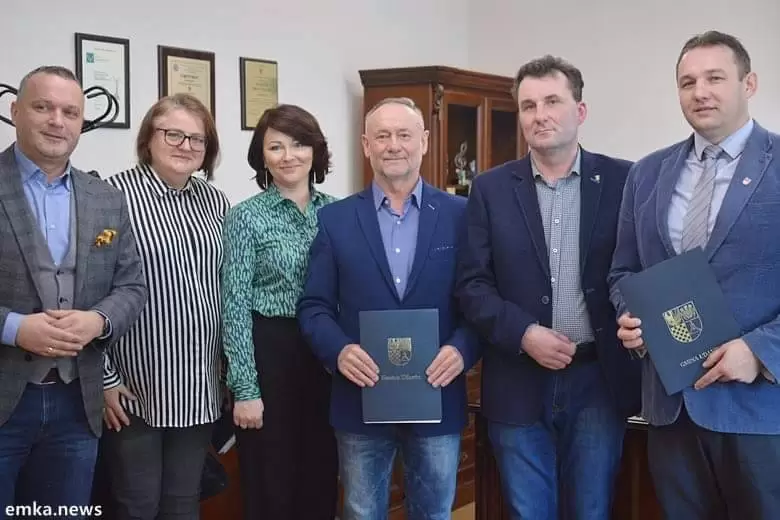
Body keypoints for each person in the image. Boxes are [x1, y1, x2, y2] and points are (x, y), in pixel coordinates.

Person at [455, 56, 641, 519]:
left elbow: (639, 268)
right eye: (528, 105)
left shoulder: (625, 180)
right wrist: (524, 333)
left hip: (598, 381)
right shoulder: (490, 189)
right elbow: (472, 284)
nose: (540, 115)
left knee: (592, 510)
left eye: (552, 102)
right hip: (516, 379)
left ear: (580, 111)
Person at [608, 30, 780, 520]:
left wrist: (760, 352)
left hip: (760, 411)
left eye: (714, 78)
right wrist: (631, 319)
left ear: (749, 84)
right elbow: (623, 271)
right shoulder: (646, 173)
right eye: (687, 82)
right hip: (672, 410)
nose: (700, 92)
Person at [297, 97, 480, 520]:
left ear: (424, 141)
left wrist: (462, 350)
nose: (393, 145)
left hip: (436, 395)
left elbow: (480, 300)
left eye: (403, 134)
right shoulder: (335, 220)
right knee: (361, 512)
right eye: (382, 136)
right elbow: (314, 307)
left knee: (434, 512)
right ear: (366, 145)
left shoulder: (462, 215)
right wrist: (339, 351)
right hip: (360, 398)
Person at [0, 66, 147, 514]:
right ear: (15, 111)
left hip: (77, 403)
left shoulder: (106, 197)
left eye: (70, 112)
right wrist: (13, 328)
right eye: (43, 107)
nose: (56, 121)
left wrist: (98, 320)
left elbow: (132, 284)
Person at [99, 93, 230, 519]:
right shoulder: (111, 196)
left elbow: (225, 286)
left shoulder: (215, 202)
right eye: (173, 134)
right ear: (148, 139)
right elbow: (88, 292)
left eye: (197, 138)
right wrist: (104, 378)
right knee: (135, 503)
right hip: (135, 387)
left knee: (183, 502)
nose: (185, 146)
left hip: (199, 384)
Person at [221, 104, 339, 520]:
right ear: (262, 156)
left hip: (326, 355)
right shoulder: (245, 217)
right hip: (269, 354)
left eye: (299, 144)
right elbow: (234, 305)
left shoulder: (338, 212)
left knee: (321, 478)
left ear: (315, 150)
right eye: (276, 146)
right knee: (272, 483)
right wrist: (245, 389)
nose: (289, 156)